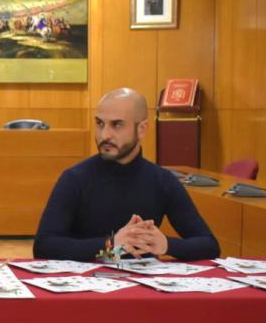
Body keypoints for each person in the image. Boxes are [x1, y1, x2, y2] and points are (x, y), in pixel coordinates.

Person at [33, 87, 219, 261]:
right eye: (100, 124)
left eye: (117, 125)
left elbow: (209, 245)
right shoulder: (75, 179)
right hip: (86, 282)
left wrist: (166, 245)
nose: (104, 135)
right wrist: (111, 244)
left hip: (143, 283)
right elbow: (44, 246)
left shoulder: (162, 181)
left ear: (142, 129)